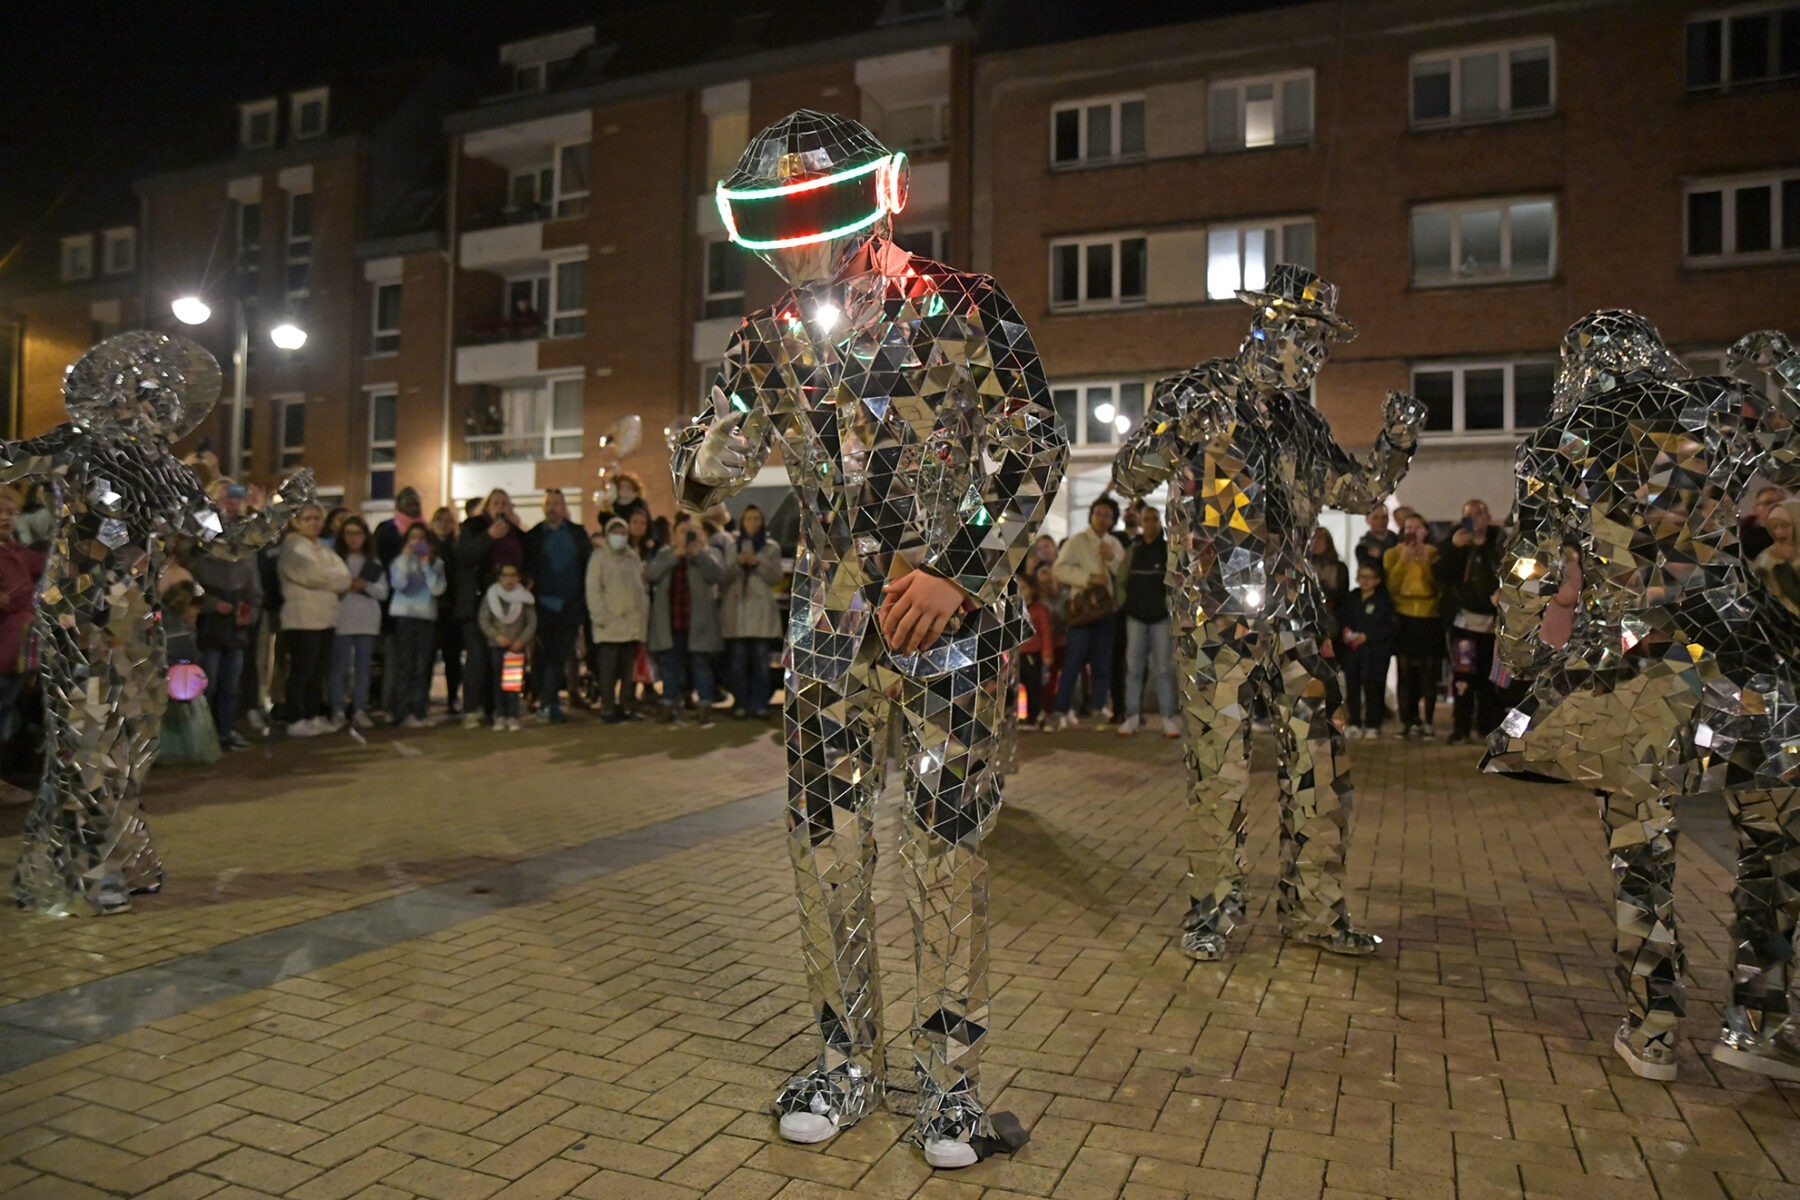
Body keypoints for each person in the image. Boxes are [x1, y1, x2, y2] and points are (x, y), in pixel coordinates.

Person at [674, 110, 1067, 1168]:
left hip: (949, 628)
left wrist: (961, 571)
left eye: (811, 223)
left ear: (867, 206)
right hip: (827, 631)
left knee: (945, 849)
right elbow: (705, 465)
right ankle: (845, 1060)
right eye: (779, 232)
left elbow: (1036, 449)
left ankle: (947, 1084)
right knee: (826, 848)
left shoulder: (965, 306)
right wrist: (705, 456)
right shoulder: (764, 339)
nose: (797, 251)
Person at [1486, 314, 1800, 1083]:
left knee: (1642, 846)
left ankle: (1654, 1026)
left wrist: (1521, 651)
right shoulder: (1720, 405)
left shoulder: (1559, 439)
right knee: (1773, 832)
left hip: (1634, 654)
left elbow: (1529, 565)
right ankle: (1759, 1020)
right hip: (1738, 641)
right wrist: (1786, 371)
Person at [1113, 262, 1423, 961]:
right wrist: (1177, 433)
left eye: (1322, 346)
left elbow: (1355, 491)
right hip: (1214, 608)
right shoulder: (1199, 391)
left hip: (1295, 611)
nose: (1314, 357)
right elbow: (1130, 474)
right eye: (1305, 341)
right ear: (1267, 328)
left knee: (1320, 755)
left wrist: (1396, 445)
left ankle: (1315, 909)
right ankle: (1214, 909)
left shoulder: (1303, 421)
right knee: (1218, 763)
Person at [190, 479, 262, 750]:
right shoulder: (200, 532)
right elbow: (187, 577)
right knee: (207, 683)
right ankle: (205, 736)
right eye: (225, 496)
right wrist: (209, 603)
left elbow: (253, 578)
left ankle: (227, 732)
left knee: (231, 684)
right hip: (209, 619)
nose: (232, 502)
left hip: (236, 615)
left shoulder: (246, 534)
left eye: (236, 496)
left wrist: (251, 609)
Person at [1049, 496, 1127, 729]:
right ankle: (1060, 709)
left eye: (1107, 515)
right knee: (1073, 661)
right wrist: (1087, 578)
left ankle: (1098, 709)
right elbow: (1059, 569)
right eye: (1098, 513)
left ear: (1113, 520)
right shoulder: (1078, 541)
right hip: (1083, 609)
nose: (1102, 518)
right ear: (1091, 515)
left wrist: (1110, 557)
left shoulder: (1114, 543)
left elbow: (1123, 573)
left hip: (1106, 610)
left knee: (1102, 662)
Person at [278, 504, 350, 737]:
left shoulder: (324, 549)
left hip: (325, 618)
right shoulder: (292, 547)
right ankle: (295, 717)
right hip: (302, 619)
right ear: (297, 522)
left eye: (317, 518)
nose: (313, 523)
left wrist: (327, 579)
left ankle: (313, 714)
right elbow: (310, 574)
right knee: (302, 670)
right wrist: (330, 579)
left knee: (318, 671)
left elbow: (345, 577)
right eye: (308, 518)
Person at [454, 489, 524, 727]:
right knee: (478, 656)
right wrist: (489, 536)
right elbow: (464, 556)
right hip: (477, 603)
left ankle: (504, 709)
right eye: (496, 503)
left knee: (507, 657)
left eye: (505, 503)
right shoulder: (473, 527)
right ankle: (471, 707)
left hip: (508, 606)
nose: (500, 507)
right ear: (487, 507)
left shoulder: (515, 533)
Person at [1436, 498, 1503, 745]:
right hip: (1463, 622)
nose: (1473, 519)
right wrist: (1453, 548)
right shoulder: (1455, 542)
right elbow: (1440, 573)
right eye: (1468, 515)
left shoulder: (1499, 543)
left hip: (1492, 621)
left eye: (1478, 514)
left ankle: (1485, 726)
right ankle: (1460, 727)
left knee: (1488, 678)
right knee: (1463, 677)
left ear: (1488, 517)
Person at [646, 517, 724, 718]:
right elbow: (651, 574)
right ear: (674, 535)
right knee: (670, 665)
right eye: (682, 531)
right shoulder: (665, 554)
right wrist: (674, 556)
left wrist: (698, 555)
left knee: (700, 664)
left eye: (691, 532)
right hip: (672, 621)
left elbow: (717, 576)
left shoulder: (706, 554)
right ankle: (668, 705)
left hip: (698, 622)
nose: (687, 536)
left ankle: (705, 705)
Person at [525, 488, 590, 724]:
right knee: (542, 657)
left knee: (560, 656)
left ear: (564, 507)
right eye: (548, 503)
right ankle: (545, 701)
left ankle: (550, 702)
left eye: (556, 503)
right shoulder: (533, 536)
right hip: (542, 607)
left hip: (570, 607)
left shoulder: (577, 533)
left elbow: (587, 565)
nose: (552, 507)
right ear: (543, 507)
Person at [1118, 504, 1179, 738]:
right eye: (1147, 519)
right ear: (1141, 523)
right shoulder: (1133, 550)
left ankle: (1168, 718)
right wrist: (1125, 604)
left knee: (1164, 670)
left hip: (1161, 619)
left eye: (1154, 519)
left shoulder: (1168, 550)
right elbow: (1121, 579)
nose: (1151, 523)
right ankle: (1132, 717)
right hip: (1135, 618)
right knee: (1133, 669)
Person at [719, 505, 783, 719]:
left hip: (760, 612)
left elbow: (776, 576)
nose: (753, 523)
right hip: (737, 611)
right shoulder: (732, 546)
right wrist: (737, 563)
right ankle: (740, 702)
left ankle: (759, 704)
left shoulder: (771, 547)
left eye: (757, 518)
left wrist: (758, 562)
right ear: (742, 521)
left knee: (761, 663)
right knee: (737, 663)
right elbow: (722, 576)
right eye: (749, 518)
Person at [0, 490, 45, 788]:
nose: (5, 518)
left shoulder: (18, 552)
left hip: (19, 648)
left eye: (10, 513)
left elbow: (51, 562)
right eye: (0, 513)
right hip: (3, 645)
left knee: (6, 709)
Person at [1384, 512, 1441, 739]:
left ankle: (1428, 721)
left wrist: (1424, 562)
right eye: (1408, 528)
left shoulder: (1434, 553)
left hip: (1429, 615)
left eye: (1417, 528)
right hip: (1404, 615)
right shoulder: (1392, 553)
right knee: (1405, 671)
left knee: (1429, 671)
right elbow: (1391, 585)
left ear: (1425, 531)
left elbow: (1436, 585)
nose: (1412, 532)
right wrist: (1404, 560)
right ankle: (1406, 720)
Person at [586, 517, 649, 723]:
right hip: (609, 626)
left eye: (623, 533)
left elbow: (641, 589)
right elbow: (594, 591)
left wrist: (641, 617)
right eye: (615, 533)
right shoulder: (599, 558)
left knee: (628, 671)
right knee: (608, 671)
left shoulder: (633, 557)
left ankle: (626, 706)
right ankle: (608, 708)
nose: (619, 537)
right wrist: (601, 617)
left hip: (631, 625)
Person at [327, 517, 387, 730]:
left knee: (363, 668)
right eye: (349, 533)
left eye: (358, 534)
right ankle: (337, 709)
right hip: (341, 619)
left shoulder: (373, 562)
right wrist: (346, 585)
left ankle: (360, 708)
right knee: (339, 668)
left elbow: (383, 592)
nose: (353, 539)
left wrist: (365, 586)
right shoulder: (335, 559)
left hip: (367, 620)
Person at [154, 581, 221, 765]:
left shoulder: (171, 622)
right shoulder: (176, 628)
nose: (198, 611)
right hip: (176, 684)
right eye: (195, 607)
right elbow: (184, 653)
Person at [387, 522, 446, 728]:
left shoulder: (436, 564)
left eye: (422, 538)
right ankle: (402, 712)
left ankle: (419, 711)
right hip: (405, 616)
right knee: (405, 665)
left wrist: (426, 566)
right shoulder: (399, 561)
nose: (417, 542)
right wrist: (406, 558)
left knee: (423, 665)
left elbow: (437, 589)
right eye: (413, 537)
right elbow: (399, 584)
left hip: (426, 617)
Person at [1339, 563, 1397, 739]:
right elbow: (1343, 618)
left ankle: (1373, 723)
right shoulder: (1352, 597)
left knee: (1374, 686)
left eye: (1369, 577)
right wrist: (1347, 632)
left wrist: (1368, 636)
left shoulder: (1384, 600)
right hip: (1353, 649)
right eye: (1362, 576)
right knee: (1352, 686)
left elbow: (1388, 626)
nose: (1365, 581)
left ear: (1377, 580)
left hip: (1375, 650)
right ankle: (1354, 721)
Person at [479, 562, 536, 731]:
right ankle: (500, 714)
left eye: (513, 575)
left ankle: (513, 715)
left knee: (512, 683)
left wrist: (521, 641)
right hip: (497, 645)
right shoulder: (491, 596)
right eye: (505, 575)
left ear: (518, 578)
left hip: (516, 647)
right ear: (499, 578)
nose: (509, 579)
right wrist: (497, 636)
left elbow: (531, 622)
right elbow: (484, 620)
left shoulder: (525, 597)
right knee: (497, 681)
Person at [429, 506, 463, 714]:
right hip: (429, 607)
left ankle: (453, 697)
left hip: (452, 608)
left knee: (452, 656)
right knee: (427, 655)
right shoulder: (426, 545)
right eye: (439, 519)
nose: (443, 524)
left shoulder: (457, 546)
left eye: (448, 520)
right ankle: (423, 697)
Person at [1016, 570, 1053, 730]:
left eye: (1023, 588)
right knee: (1016, 687)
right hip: (1015, 655)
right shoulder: (1012, 610)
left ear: (1032, 589)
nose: (1020, 592)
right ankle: (1019, 716)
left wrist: (1047, 654)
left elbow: (1046, 632)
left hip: (1031, 653)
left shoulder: (1039, 610)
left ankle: (1034, 716)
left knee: (1033, 686)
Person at [1309, 527, 1350, 656]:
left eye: (1320, 538)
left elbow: (1342, 597)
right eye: (1313, 538)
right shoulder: (1306, 566)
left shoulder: (1339, 568)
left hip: (1331, 615)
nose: (1315, 542)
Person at [1739, 484, 1789, 561]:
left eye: (1781, 503)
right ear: (1756, 509)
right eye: (1769, 503)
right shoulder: (1747, 534)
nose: (1775, 507)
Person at [1354, 506, 1398, 575]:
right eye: (1375, 518)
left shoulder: (1397, 539)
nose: (1380, 521)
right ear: (1368, 520)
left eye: (1384, 517)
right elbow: (1371, 572)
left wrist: (1380, 555)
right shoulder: (1363, 547)